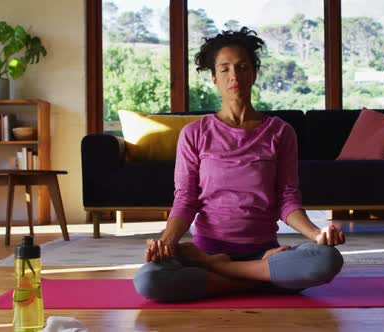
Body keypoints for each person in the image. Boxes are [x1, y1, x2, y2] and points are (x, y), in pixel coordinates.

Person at [134, 27, 346, 303]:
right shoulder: (195, 133)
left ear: (254, 74)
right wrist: (167, 241)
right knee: (149, 280)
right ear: (214, 78)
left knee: (327, 260)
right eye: (224, 69)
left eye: (242, 67)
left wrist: (317, 234)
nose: (234, 75)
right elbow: (185, 199)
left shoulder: (280, 133)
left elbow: (287, 199)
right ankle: (262, 279)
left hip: (260, 253)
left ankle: (222, 271)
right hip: (211, 248)